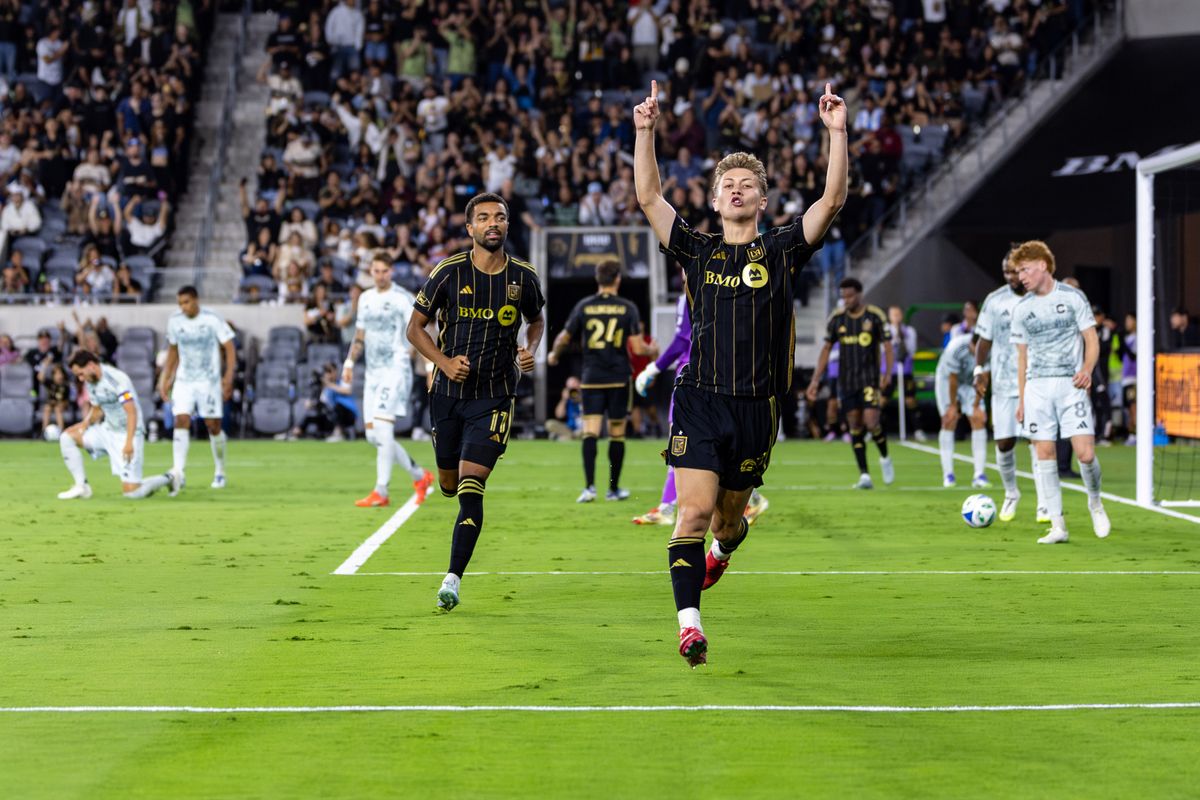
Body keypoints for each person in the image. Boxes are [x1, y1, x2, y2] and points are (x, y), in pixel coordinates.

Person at [635, 79, 847, 667]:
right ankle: (689, 627)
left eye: (747, 185)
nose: (736, 189)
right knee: (693, 513)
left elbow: (830, 202)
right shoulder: (696, 251)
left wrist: (836, 133)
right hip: (700, 399)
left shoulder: (781, 250)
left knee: (728, 523)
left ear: (761, 199)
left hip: (757, 408)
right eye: (727, 184)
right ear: (713, 198)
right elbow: (651, 199)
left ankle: (724, 553)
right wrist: (645, 131)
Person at [406, 191, 545, 613]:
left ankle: (452, 579)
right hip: (448, 396)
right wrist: (444, 362)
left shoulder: (523, 277)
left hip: (496, 396)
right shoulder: (448, 272)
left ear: (506, 226)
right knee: (448, 484)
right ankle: (449, 492)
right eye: (483, 217)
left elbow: (536, 320)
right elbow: (415, 328)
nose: (492, 223)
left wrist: (529, 348)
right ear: (470, 228)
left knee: (470, 486)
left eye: (499, 217)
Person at [1010, 240, 1110, 544]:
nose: (1021, 277)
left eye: (1025, 270)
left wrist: (1087, 370)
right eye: (1018, 272)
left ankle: (1095, 501)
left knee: (1086, 454)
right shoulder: (1022, 309)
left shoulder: (1073, 297)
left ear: (1042, 265)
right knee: (1044, 454)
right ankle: (1058, 525)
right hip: (1038, 386)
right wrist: (1022, 397)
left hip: (1071, 384)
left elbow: (1091, 340)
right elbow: (1022, 358)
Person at [548, 260, 656, 502]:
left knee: (590, 432)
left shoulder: (584, 306)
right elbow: (638, 348)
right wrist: (653, 350)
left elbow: (564, 337)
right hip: (619, 378)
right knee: (616, 433)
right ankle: (613, 489)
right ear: (617, 279)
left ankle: (589, 488)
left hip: (592, 378)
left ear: (598, 279)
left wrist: (554, 354)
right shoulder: (628, 307)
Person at [342, 253, 434, 508]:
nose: (380, 275)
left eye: (384, 271)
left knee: (383, 430)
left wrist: (428, 367)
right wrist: (349, 362)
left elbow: (419, 333)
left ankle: (381, 491)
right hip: (373, 372)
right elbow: (359, 335)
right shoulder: (365, 298)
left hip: (396, 369)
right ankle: (420, 475)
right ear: (370, 272)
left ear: (391, 271)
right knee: (374, 436)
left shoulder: (402, 299)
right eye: (376, 271)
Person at [807, 278, 895, 490]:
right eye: (843, 296)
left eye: (850, 296)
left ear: (859, 294)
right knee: (855, 426)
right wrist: (815, 380)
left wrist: (888, 373)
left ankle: (884, 457)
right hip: (846, 382)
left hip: (869, 380)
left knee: (872, 422)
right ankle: (864, 474)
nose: (846, 300)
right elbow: (826, 349)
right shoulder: (837, 319)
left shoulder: (875, 315)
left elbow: (888, 346)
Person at [57, 350, 179, 500]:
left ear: (90, 365)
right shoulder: (91, 382)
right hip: (108, 430)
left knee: (132, 493)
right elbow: (97, 408)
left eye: (81, 373)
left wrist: (129, 443)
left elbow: (131, 412)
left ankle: (170, 477)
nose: (81, 379)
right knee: (67, 437)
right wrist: (84, 424)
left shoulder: (117, 379)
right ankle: (82, 487)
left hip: (129, 433)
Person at [974, 252, 1041, 522]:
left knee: (1039, 443)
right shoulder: (995, 300)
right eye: (1006, 272)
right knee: (1004, 443)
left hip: (1035, 382)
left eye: (1015, 271)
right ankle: (1011, 493)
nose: (1011, 277)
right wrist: (980, 371)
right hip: (1003, 384)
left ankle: (1045, 503)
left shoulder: (1040, 296)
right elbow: (983, 341)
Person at [160, 286, 237, 490]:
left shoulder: (212, 318)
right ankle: (178, 472)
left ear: (196, 300)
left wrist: (228, 376)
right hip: (185, 380)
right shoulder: (175, 321)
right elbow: (173, 350)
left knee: (213, 426)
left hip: (209, 381)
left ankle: (220, 471)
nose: (182, 307)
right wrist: (166, 378)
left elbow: (229, 347)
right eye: (180, 303)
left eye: (186, 302)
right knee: (181, 419)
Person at [935, 332, 988, 488]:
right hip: (947, 380)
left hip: (971, 382)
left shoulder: (989, 349)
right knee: (949, 420)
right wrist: (952, 406)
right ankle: (948, 475)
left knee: (978, 419)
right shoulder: (956, 348)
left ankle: (979, 475)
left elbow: (985, 377)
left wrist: (976, 405)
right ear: (971, 345)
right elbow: (953, 379)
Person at [886, 305, 923, 442]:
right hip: (889, 371)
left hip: (906, 370)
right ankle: (873, 430)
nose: (896, 317)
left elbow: (912, 350)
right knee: (882, 400)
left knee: (910, 400)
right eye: (893, 314)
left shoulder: (909, 331)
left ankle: (918, 430)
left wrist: (900, 338)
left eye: (898, 314)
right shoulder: (885, 331)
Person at [1118, 312, 1136, 445]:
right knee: (1127, 408)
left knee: (1133, 407)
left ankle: (1135, 435)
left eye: (1129, 320)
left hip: (1134, 378)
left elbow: (1133, 356)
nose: (1127, 323)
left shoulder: (1138, 338)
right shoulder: (1128, 337)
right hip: (1125, 378)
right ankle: (1131, 434)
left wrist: (1123, 344)